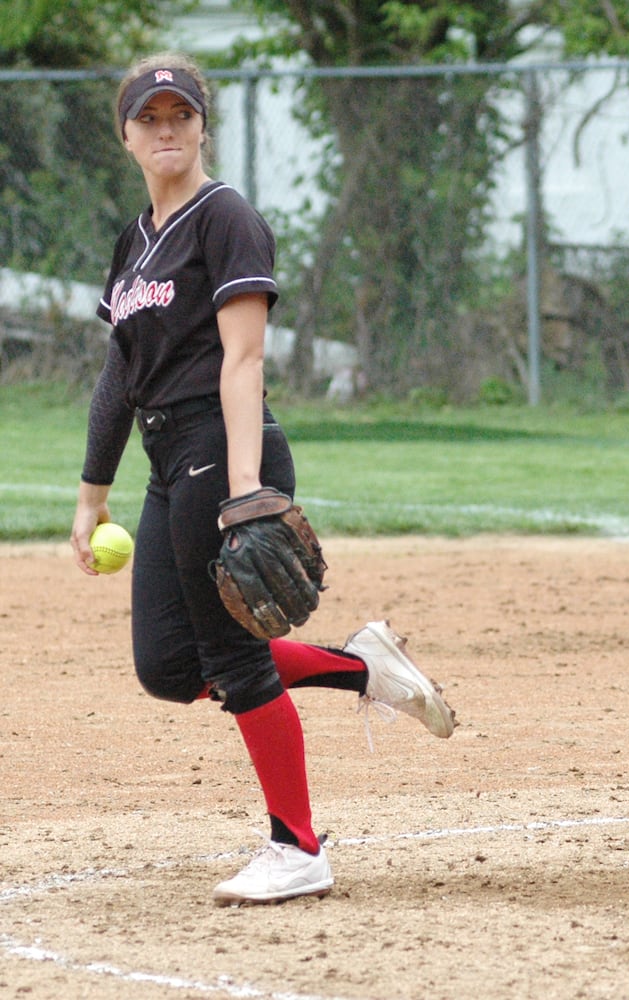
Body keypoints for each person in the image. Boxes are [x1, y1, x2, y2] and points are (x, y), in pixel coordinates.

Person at [69, 53, 457, 906]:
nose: (166, 130)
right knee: (171, 667)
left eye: (181, 115)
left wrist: (245, 488)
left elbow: (243, 359)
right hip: (168, 457)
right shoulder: (134, 241)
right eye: (149, 117)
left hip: (223, 448)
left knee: (236, 663)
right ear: (126, 133)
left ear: (203, 125)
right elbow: (116, 377)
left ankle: (298, 846)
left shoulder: (226, 217)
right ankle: (364, 670)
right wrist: (91, 492)